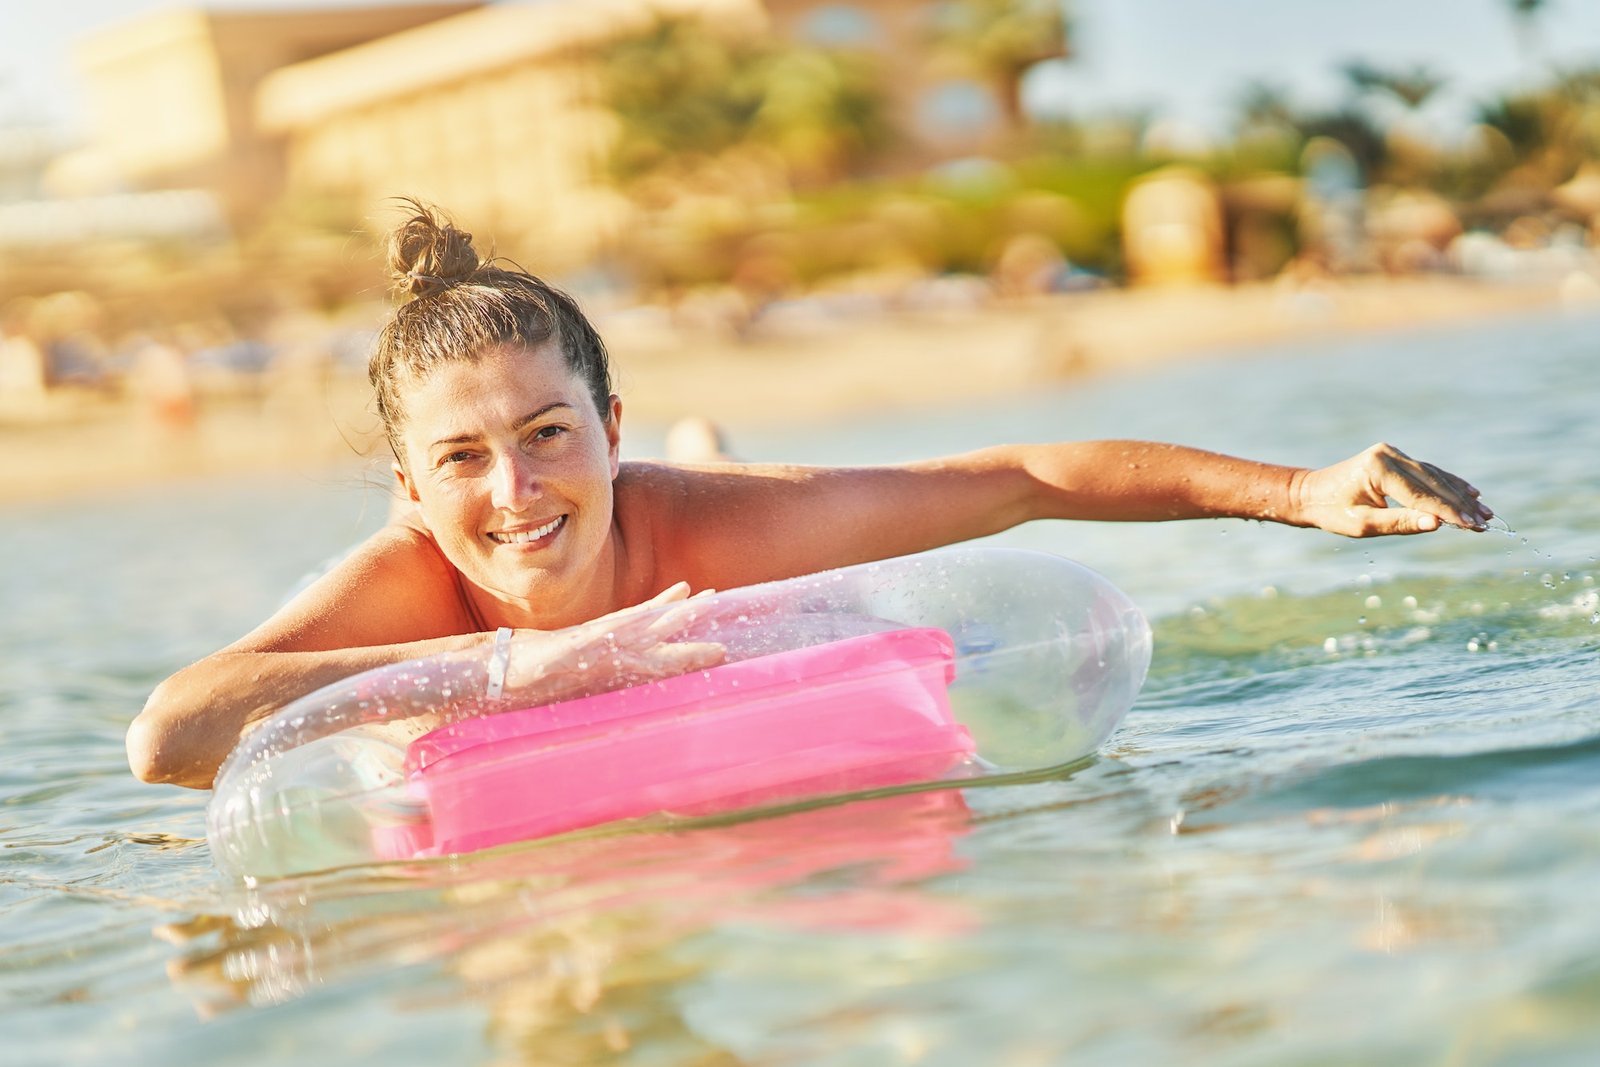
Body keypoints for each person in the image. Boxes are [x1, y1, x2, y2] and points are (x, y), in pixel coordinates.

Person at [128, 203, 1494, 789]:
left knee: (727, 496)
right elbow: (170, 732)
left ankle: (713, 437)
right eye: (462, 461)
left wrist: (1300, 492)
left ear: (610, 424)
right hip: (505, 649)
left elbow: (1020, 481)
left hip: (698, 527)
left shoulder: (702, 522)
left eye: (549, 434)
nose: (514, 490)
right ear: (412, 488)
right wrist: (519, 667)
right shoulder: (419, 575)